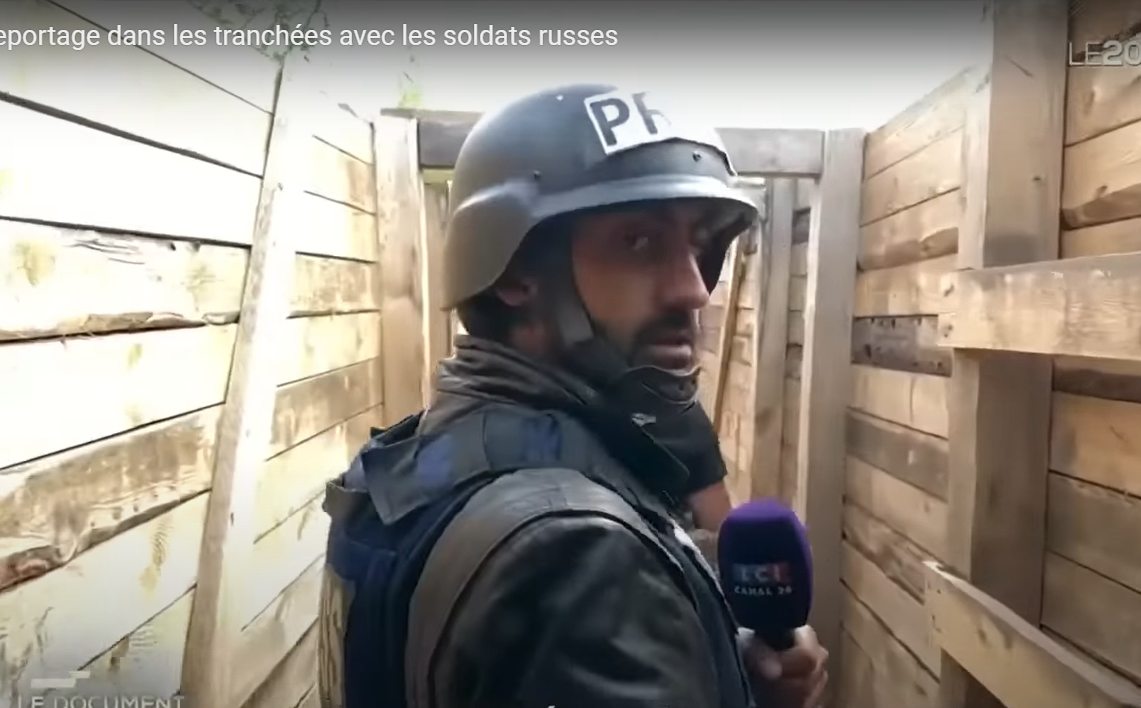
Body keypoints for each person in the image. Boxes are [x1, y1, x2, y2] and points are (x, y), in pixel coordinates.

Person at [316, 84, 829, 708]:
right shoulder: (580, 557)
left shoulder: (410, 466)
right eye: (640, 242)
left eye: (699, 247)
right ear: (516, 273)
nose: (693, 289)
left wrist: (713, 666)